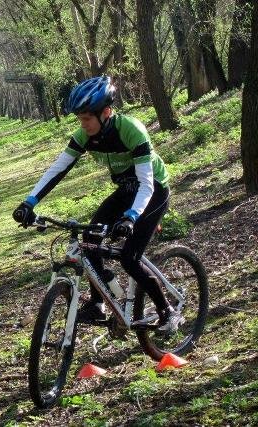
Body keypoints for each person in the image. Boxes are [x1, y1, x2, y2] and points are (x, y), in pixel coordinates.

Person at [12, 75, 183, 334]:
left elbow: (147, 183)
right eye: (79, 119)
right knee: (89, 240)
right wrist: (29, 201)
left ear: (106, 112)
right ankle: (97, 303)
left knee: (129, 257)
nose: (83, 125)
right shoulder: (85, 135)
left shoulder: (130, 129)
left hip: (154, 191)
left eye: (87, 119)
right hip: (126, 191)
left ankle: (167, 311)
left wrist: (131, 217)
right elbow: (58, 169)